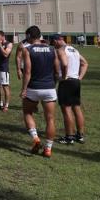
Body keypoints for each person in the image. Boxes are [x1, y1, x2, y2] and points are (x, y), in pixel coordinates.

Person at [19, 26, 59, 158]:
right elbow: (57, 70)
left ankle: (36, 139)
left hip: (33, 88)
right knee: (50, 119)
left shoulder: (28, 50)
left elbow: (28, 72)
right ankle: (48, 149)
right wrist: (54, 83)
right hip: (49, 88)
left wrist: (24, 89)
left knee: (27, 112)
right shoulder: (52, 49)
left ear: (30, 36)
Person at [51, 34, 88, 144]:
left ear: (56, 41)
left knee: (66, 109)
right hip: (76, 81)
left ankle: (69, 137)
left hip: (67, 82)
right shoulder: (74, 50)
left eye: (53, 42)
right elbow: (85, 63)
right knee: (76, 108)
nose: (53, 45)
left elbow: (65, 64)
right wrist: (79, 77)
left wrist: (64, 77)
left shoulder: (61, 50)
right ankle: (80, 135)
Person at [0, 31, 13, 112]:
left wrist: (0, 45)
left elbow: (5, 54)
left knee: (5, 87)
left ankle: (6, 105)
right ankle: (0, 103)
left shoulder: (9, 44)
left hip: (3, 69)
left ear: (2, 36)